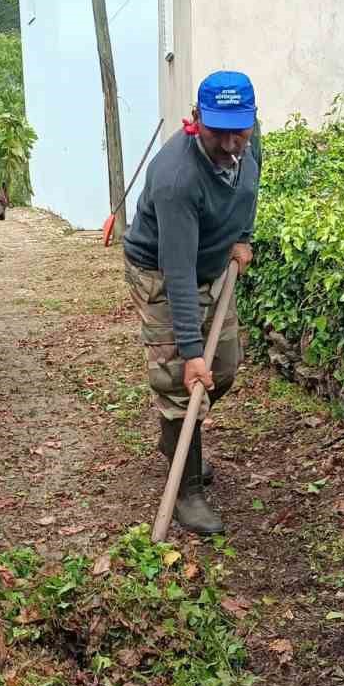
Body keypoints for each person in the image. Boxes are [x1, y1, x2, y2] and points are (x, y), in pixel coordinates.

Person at [123, 71, 259, 536]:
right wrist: (189, 350)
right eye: (217, 130)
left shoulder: (248, 144)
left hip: (214, 263)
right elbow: (177, 272)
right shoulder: (177, 179)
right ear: (196, 119)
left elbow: (247, 190)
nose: (228, 143)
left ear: (251, 121)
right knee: (180, 379)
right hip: (162, 273)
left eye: (237, 130)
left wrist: (242, 237)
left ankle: (182, 438)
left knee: (223, 367)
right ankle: (186, 488)